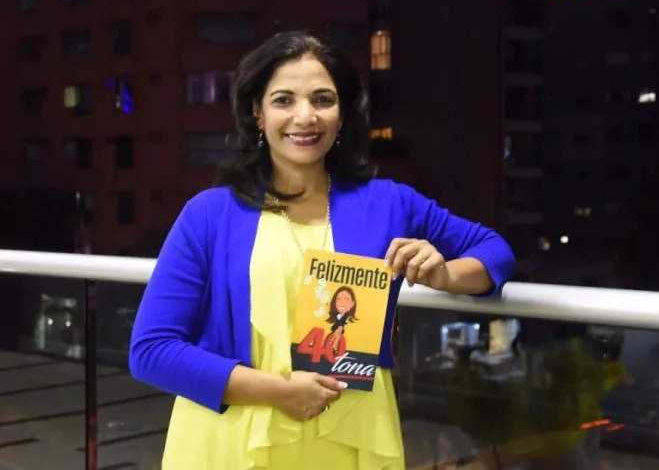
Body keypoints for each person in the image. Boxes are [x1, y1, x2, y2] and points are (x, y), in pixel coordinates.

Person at [128, 30, 516, 470]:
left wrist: (446, 274)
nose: (305, 116)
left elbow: (495, 251)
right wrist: (278, 391)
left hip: (351, 437)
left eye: (322, 99)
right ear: (257, 112)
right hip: (235, 438)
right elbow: (152, 351)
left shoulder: (388, 203)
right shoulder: (209, 214)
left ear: (344, 111)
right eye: (284, 100)